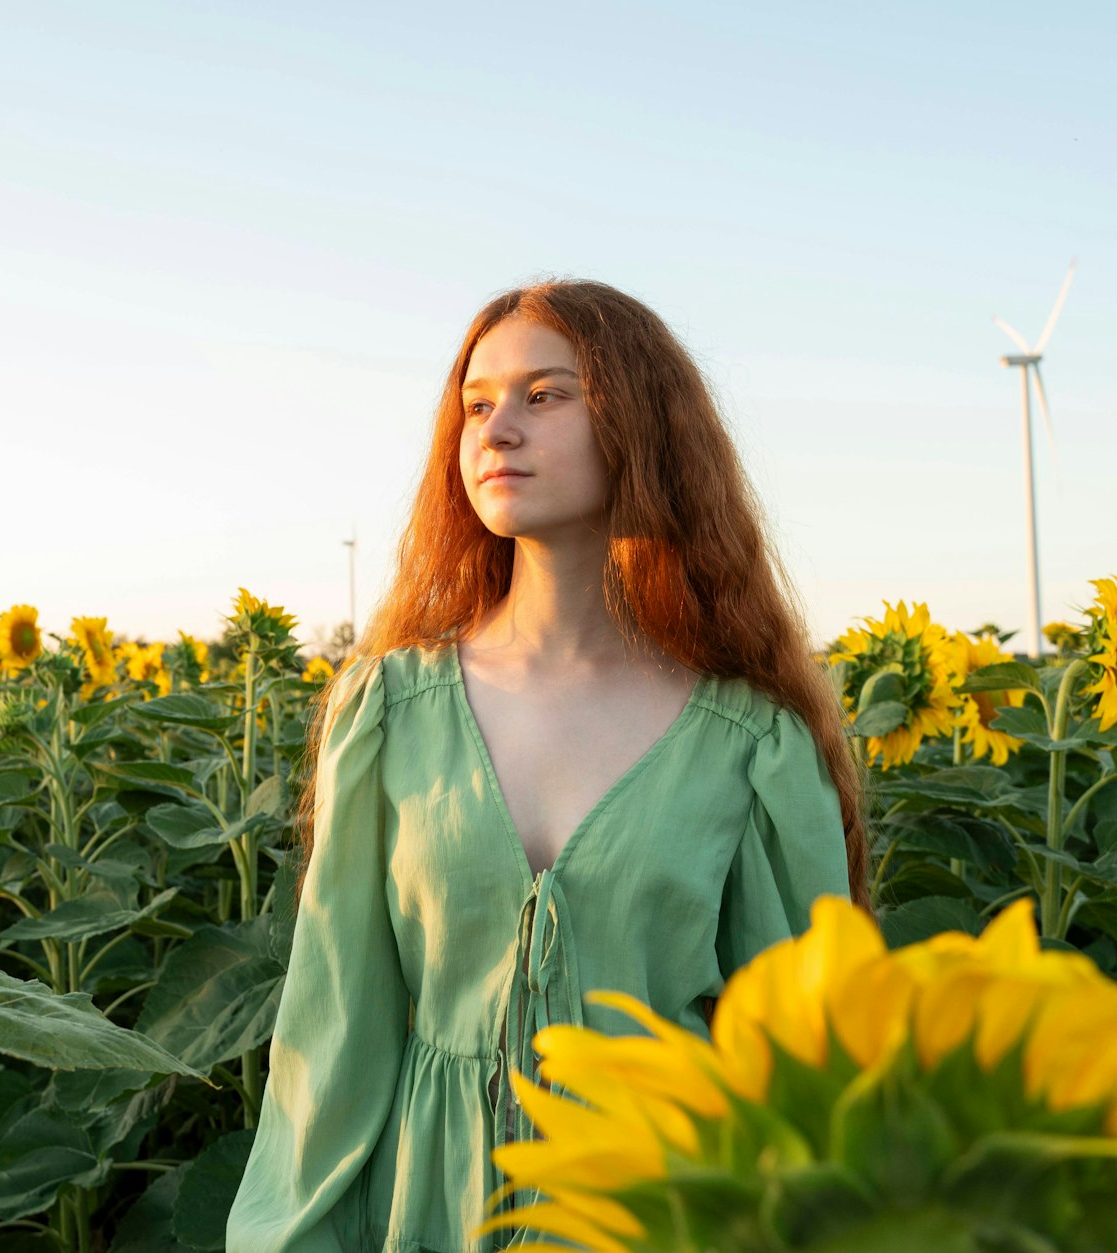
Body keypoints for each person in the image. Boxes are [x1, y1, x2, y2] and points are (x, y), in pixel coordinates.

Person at [226, 279, 870, 1252]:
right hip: (428, 1216)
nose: (497, 430)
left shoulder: (750, 745)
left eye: (543, 394)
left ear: (637, 423)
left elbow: (801, 1072)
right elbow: (333, 1037)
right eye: (475, 404)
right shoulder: (387, 712)